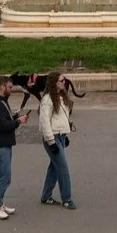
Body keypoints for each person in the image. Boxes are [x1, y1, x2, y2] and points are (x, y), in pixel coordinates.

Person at [0, 76, 26, 219]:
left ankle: (0, 204)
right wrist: (18, 122)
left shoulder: (1, 101)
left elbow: (4, 119)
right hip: (0, 144)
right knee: (4, 176)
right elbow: (2, 125)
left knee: (5, 176)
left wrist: (14, 117)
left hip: (3, 143)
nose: (11, 90)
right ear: (2, 87)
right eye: (9, 87)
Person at [36, 74, 78, 210]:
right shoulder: (47, 100)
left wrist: (65, 135)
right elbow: (45, 122)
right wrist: (51, 142)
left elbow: (62, 118)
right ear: (54, 83)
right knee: (63, 169)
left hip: (60, 136)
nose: (64, 82)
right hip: (52, 138)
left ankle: (46, 196)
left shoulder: (61, 97)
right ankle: (67, 199)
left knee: (54, 168)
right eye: (61, 81)